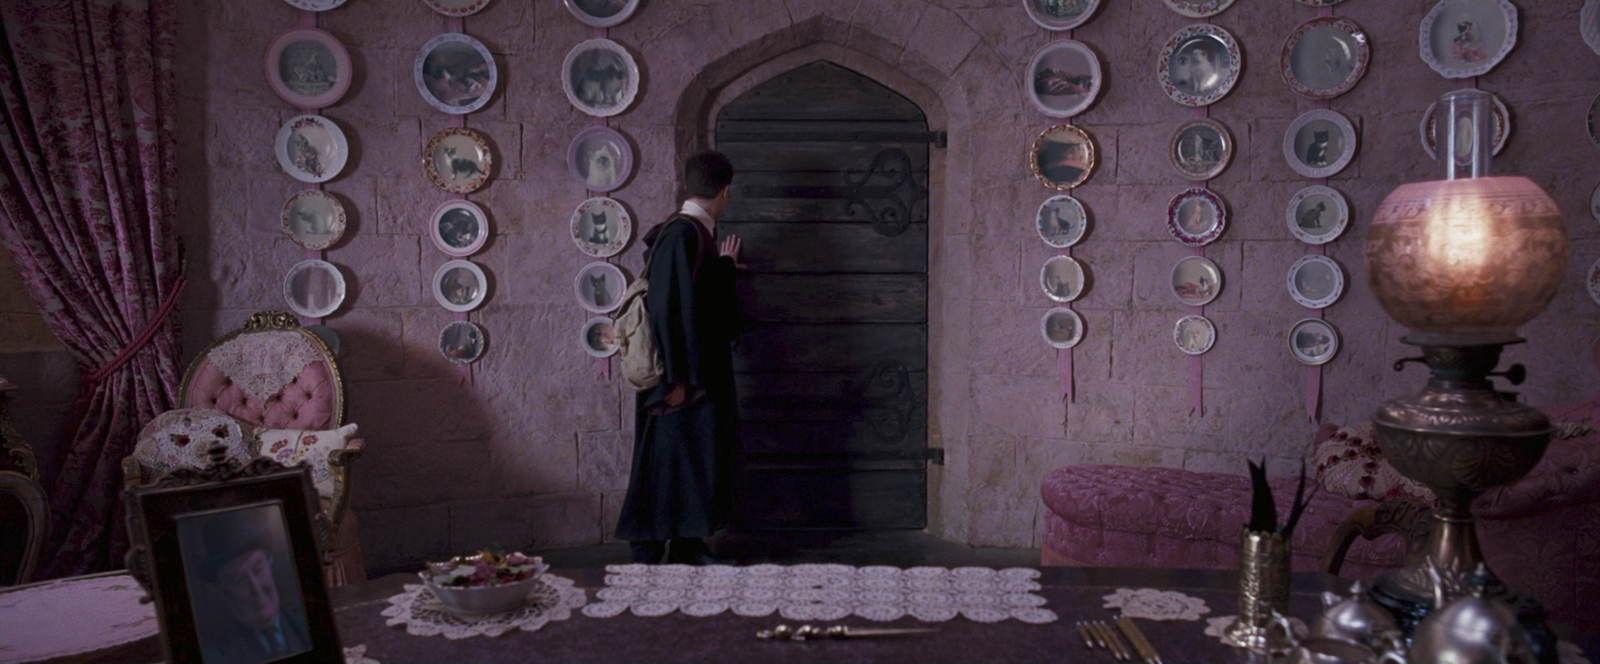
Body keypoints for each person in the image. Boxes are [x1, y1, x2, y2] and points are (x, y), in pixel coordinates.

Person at [615, 151, 743, 565]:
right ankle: (650, 545)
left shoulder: (689, 233)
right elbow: (668, 308)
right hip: (680, 375)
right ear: (725, 191)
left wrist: (724, 267)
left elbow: (695, 300)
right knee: (666, 458)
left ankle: (686, 541)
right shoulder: (682, 235)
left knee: (687, 457)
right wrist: (674, 381)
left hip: (691, 371)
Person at [197, 516, 309, 664]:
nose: (256, 589)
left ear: (269, 567)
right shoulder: (214, 658)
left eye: (258, 569)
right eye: (238, 580)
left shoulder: (308, 627)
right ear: (224, 593)